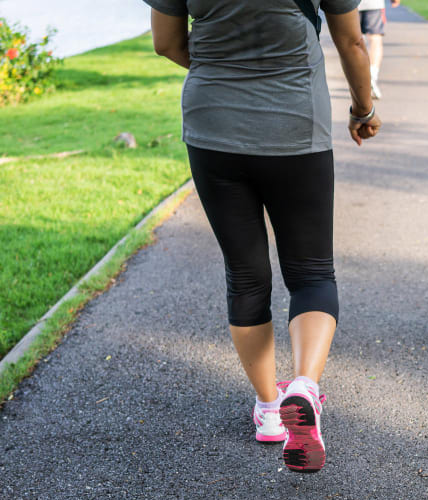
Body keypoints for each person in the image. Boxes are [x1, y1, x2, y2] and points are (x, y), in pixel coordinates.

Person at [145, 0, 381, 472]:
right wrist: (363, 107)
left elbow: (166, 43)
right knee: (311, 271)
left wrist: (226, 73)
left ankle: (270, 409)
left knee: (246, 274)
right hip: (296, 125)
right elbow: (352, 40)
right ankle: (305, 387)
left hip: (214, 126)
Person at [356, 0, 400, 99]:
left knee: (354, 43)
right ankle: (372, 76)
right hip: (373, 4)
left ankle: (360, 77)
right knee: (375, 39)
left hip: (350, 5)